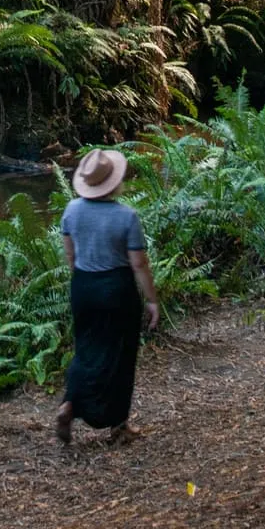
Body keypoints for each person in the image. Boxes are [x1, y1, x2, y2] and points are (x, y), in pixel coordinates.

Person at [54, 148, 160, 446]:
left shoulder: (71, 210)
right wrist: (152, 300)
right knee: (121, 354)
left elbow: (70, 256)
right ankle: (118, 425)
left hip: (83, 287)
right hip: (117, 289)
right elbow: (138, 264)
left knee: (86, 349)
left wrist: (85, 281)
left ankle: (69, 404)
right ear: (114, 182)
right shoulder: (126, 216)